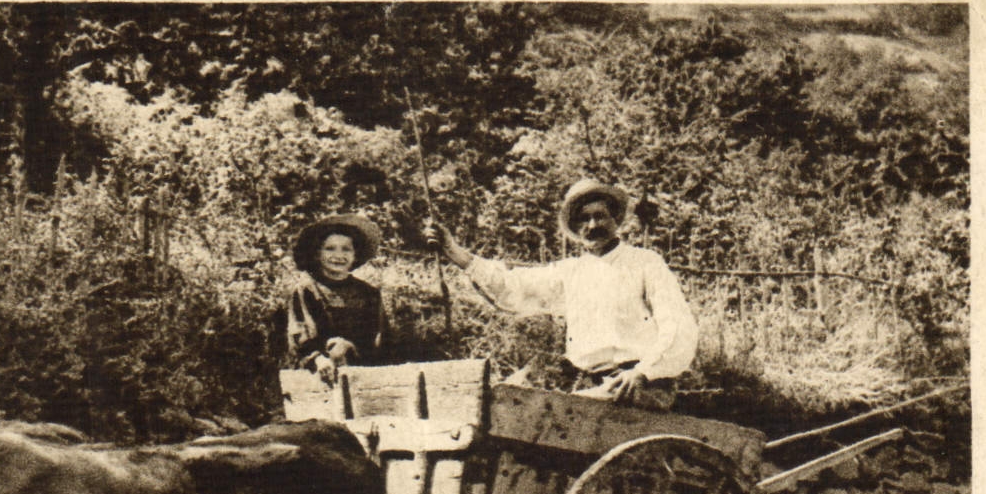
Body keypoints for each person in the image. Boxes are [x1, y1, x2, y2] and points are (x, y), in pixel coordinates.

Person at [428, 179, 698, 408]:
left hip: (640, 386)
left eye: (600, 216)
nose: (592, 225)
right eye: (584, 219)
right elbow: (513, 288)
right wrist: (455, 252)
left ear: (615, 219)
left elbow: (678, 326)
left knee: (547, 413)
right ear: (575, 228)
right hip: (592, 384)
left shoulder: (645, 262)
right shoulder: (571, 272)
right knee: (510, 400)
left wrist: (643, 372)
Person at [274, 213, 389, 385]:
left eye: (346, 249)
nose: (338, 255)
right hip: (317, 373)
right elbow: (301, 336)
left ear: (355, 254)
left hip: (362, 372)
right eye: (330, 248)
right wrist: (319, 359)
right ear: (317, 253)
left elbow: (379, 338)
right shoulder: (307, 291)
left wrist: (351, 347)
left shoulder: (369, 293)